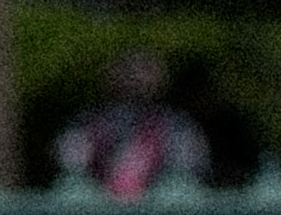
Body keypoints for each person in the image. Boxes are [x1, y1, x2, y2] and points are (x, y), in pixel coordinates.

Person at [50, 44, 211, 199]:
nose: (136, 80)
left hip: (154, 206)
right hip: (101, 202)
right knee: (72, 192)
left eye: (144, 72)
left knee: (179, 191)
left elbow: (189, 164)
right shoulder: (89, 122)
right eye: (128, 72)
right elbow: (70, 161)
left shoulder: (176, 125)